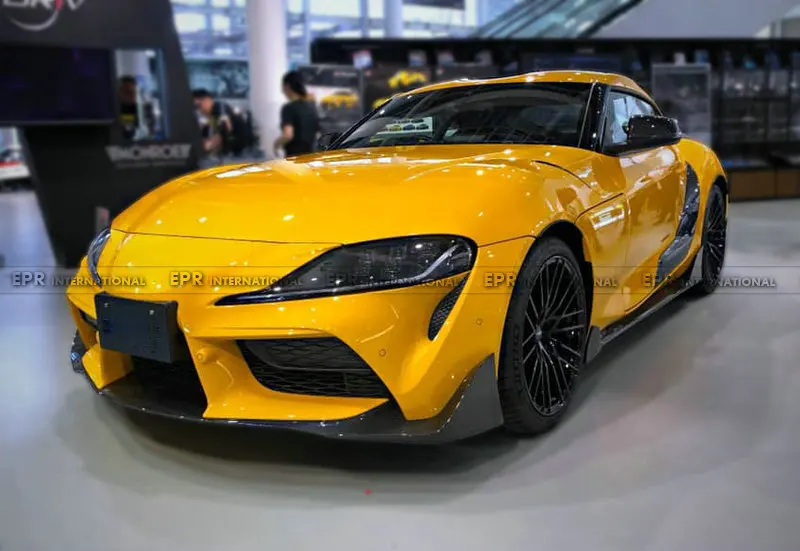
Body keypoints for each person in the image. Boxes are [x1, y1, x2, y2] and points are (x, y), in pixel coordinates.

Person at [273, 71, 320, 157]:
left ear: (287, 86)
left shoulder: (289, 108)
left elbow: (288, 135)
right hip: (310, 157)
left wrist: (276, 144)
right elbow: (317, 133)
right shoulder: (312, 107)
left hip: (294, 158)